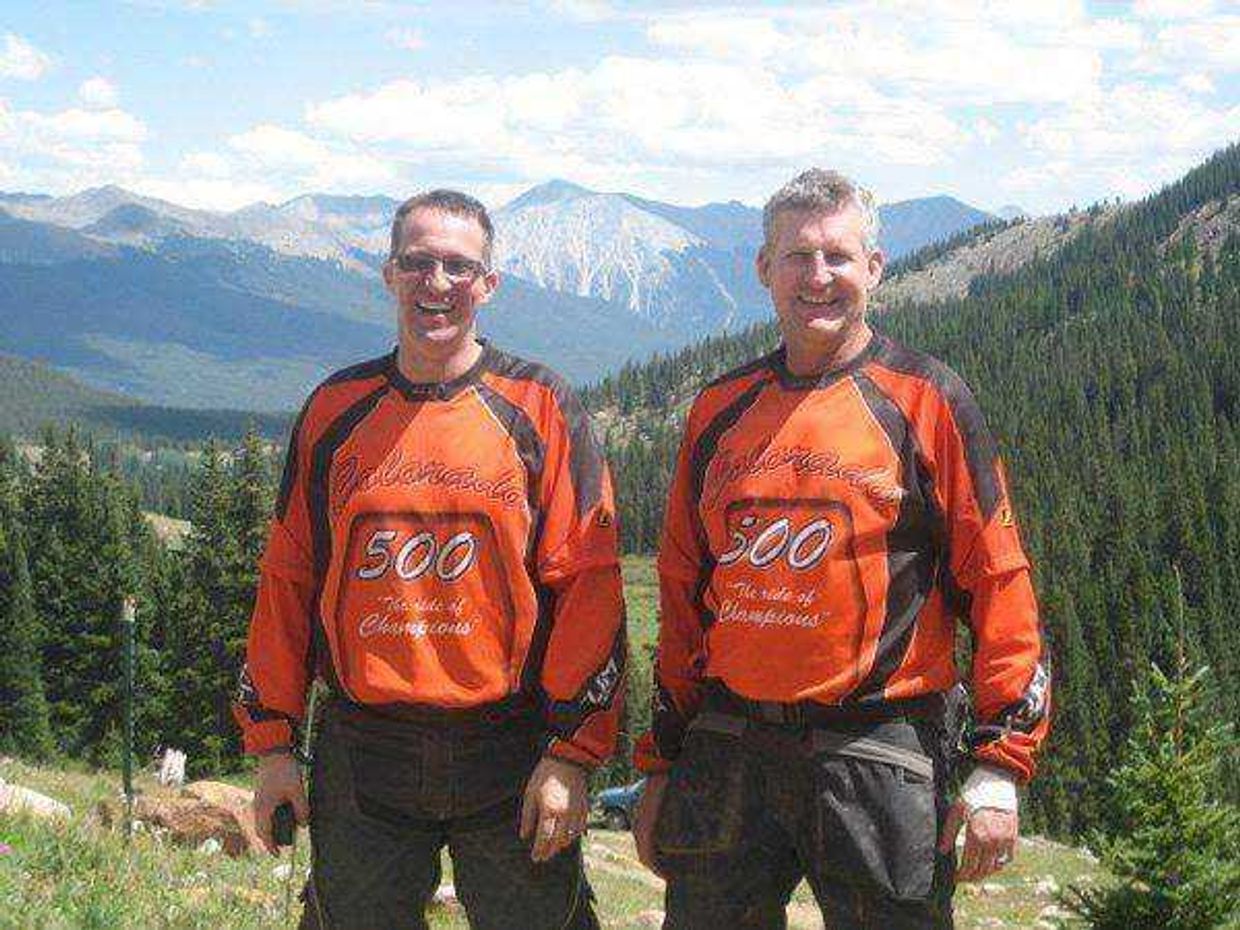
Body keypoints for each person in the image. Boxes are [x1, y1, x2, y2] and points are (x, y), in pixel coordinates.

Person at [632, 168, 1051, 929]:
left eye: (838, 257)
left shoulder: (926, 398)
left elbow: (999, 580)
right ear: (764, 270)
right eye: (797, 257)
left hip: (880, 745)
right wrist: (662, 759)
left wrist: (999, 764)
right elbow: (683, 588)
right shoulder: (720, 410)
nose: (817, 277)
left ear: (875, 268)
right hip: (728, 742)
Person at [232, 189, 626, 930]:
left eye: (457, 266)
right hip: (363, 745)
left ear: (488, 284)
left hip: (509, 747)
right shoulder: (334, 410)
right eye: (417, 263)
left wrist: (571, 754)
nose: (436, 283)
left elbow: (588, 585)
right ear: (388, 275)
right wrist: (273, 744)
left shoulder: (540, 405)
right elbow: (288, 580)